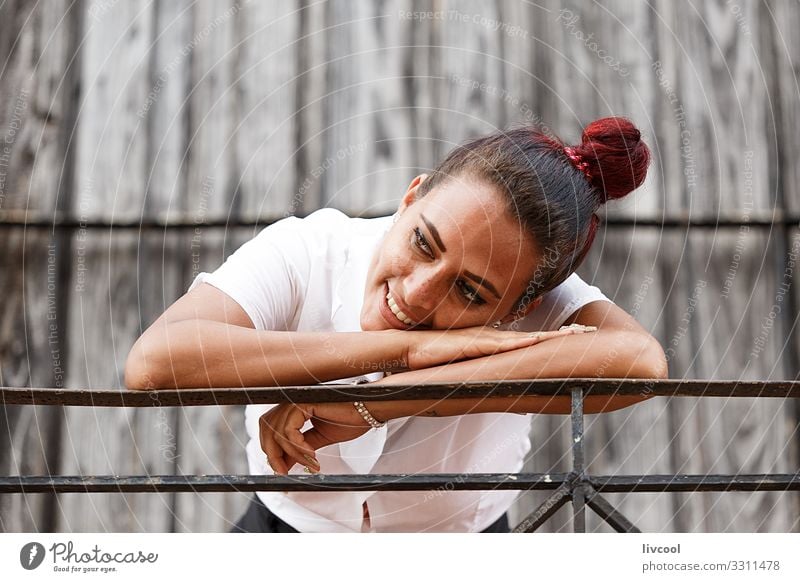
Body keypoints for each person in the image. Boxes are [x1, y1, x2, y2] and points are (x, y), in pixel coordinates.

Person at [125, 117, 667, 533]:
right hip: (282, 533)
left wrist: (387, 399)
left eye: (471, 292)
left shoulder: (536, 288)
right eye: (422, 242)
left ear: (522, 307)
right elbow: (157, 363)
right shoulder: (307, 251)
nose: (415, 292)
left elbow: (641, 364)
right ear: (412, 197)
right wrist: (400, 352)